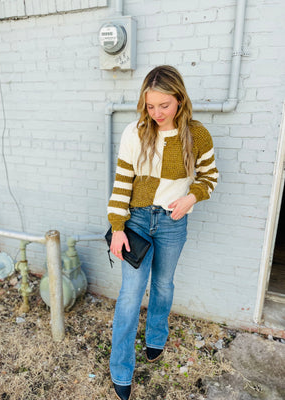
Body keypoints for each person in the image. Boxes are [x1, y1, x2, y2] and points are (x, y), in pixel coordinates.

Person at [107, 65, 218, 400]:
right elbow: (122, 182)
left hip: (172, 222)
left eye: (164, 105)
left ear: (180, 101)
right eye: (150, 105)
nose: (156, 113)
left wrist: (190, 197)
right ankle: (121, 369)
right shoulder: (135, 133)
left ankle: (156, 336)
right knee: (130, 296)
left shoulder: (196, 135)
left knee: (164, 285)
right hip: (137, 221)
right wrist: (116, 227)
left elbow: (209, 178)